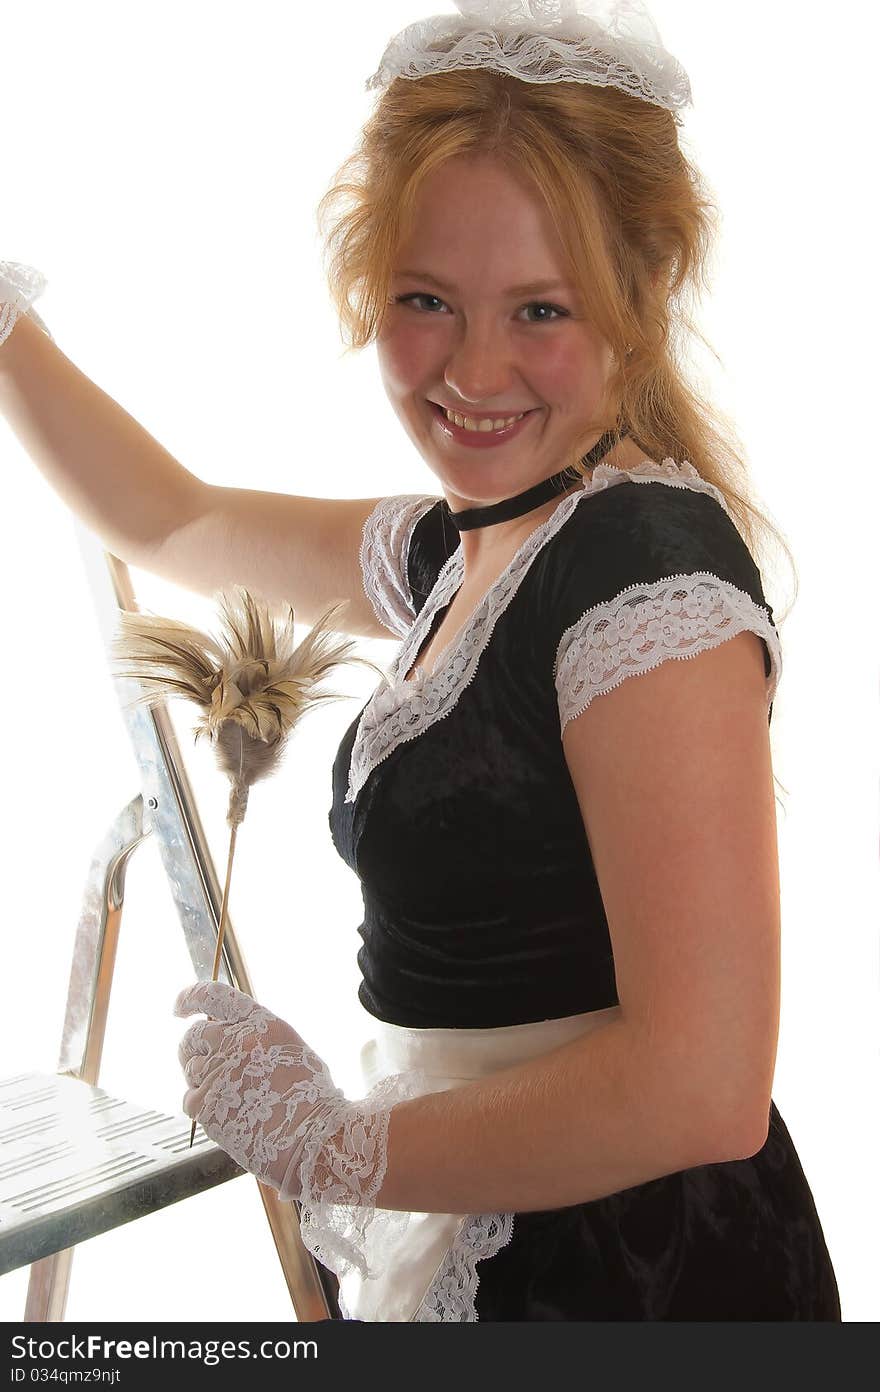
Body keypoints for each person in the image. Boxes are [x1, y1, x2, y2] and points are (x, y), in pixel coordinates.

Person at [0, 0, 841, 1322]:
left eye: (542, 309)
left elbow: (705, 1084)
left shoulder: (643, 571)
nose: (474, 370)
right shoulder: (476, 548)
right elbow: (170, 519)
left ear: (645, 293)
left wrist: (334, 1144)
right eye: (425, 301)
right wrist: (5, 325)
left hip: (632, 1280)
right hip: (491, 1237)